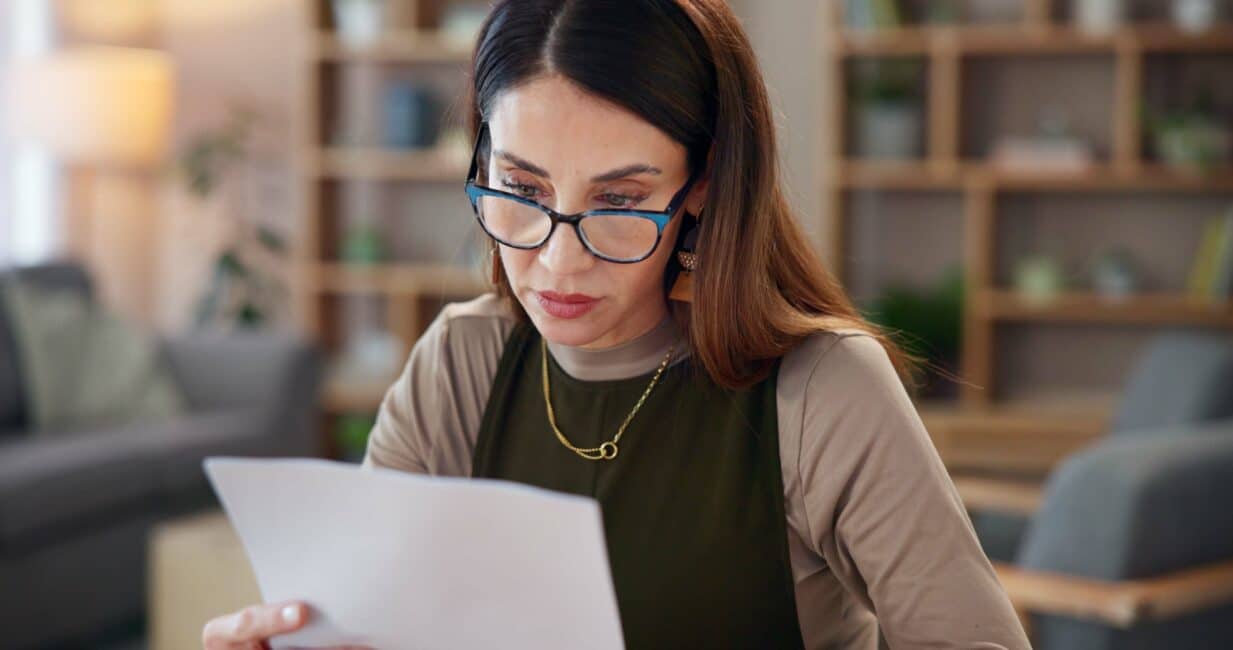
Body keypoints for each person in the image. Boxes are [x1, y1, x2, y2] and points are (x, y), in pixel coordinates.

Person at [203, 1, 1031, 648]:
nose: (558, 264)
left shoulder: (820, 388)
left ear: (701, 186)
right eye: (520, 190)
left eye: (620, 201)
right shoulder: (461, 362)